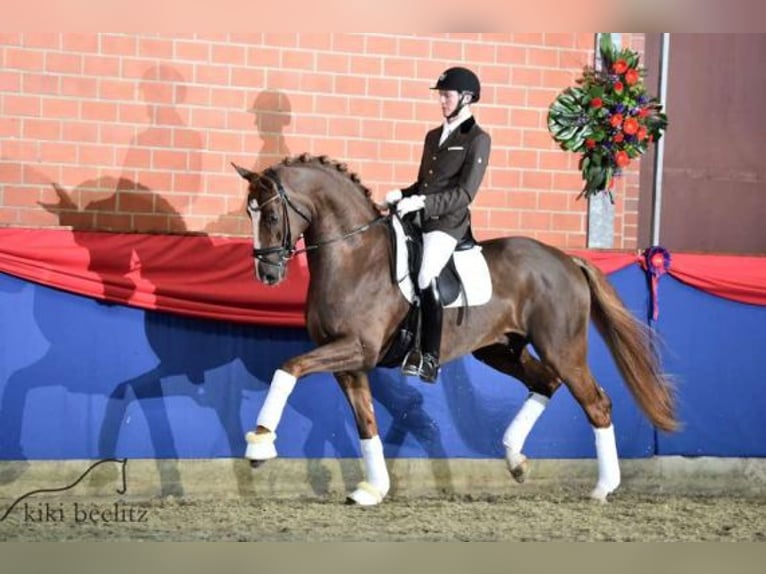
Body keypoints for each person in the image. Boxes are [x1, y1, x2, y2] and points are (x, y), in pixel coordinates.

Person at [385, 66, 491, 383]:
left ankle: (430, 356)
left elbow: (465, 193)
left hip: (448, 223)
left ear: (466, 98)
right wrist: (402, 194)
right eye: (442, 95)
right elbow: (425, 183)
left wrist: (424, 203)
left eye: (447, 95)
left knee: (426, 273)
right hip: (421, 215)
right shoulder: (434, 136)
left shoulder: (477, 139)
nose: (442, 101)